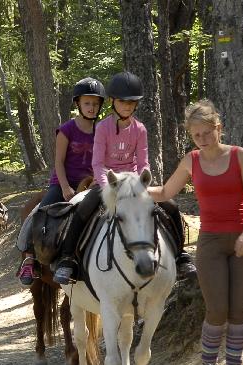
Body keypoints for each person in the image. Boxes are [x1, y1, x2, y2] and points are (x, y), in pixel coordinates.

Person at [147, 99, 243, 365]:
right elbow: (164, 192)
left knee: (239, 311)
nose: (203, 140)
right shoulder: (191, 160)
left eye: (208, 133)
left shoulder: (240, 156)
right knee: (217, 310)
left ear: (218, 128)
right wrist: (129, 188)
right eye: (197, 135)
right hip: (210, 244)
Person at [52, 71, 196, 285]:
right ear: (113, 102)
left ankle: (181, 256)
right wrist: (107, 185)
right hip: (108, 181)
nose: (127, 106)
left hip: (133, 182)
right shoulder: (102, 128)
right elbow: (98, 163)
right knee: (83, 209)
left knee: (171, 207)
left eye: (132, 102)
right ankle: (68, 259)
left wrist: (138, 183)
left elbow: (144, 161)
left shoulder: (140, 129)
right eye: (122, 102)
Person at [15, 78, 105, 286]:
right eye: (87, 103)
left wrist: (97, 181)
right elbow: (58, 161)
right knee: (41, 211)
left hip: (92, 182)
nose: (91, 108)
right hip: (64, 181)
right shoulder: (66, 130)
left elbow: (102, 161)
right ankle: (29, 257)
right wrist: (64, 187)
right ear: (78, 104)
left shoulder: (102, 131)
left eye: (95, 104)